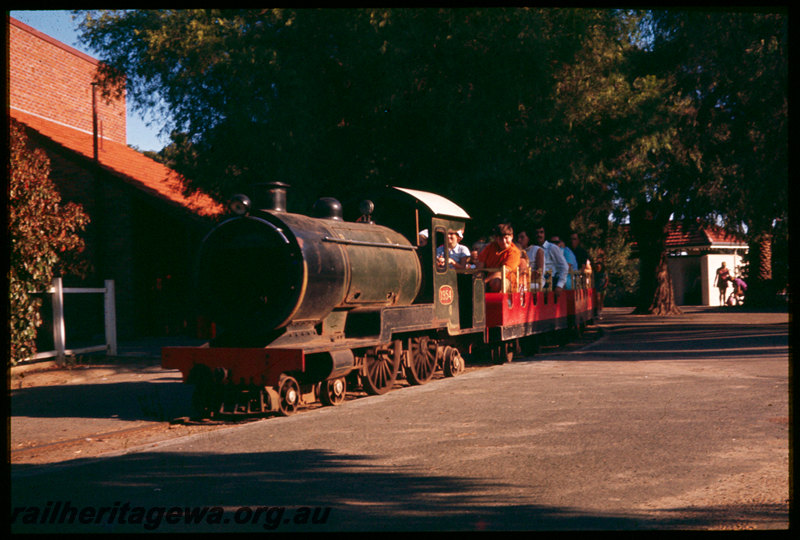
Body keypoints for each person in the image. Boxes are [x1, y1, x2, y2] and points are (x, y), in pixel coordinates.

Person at [476, 222, 521, 293]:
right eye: (500, 239)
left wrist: (483, 282)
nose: (503, 241)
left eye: (506, 238)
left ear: (512, 236)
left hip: (507, 281)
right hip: (488, 280)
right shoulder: (490, 247)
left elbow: (503, 272)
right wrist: (477, 280)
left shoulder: (514, 252)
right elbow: (480, 266)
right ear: (496, 238)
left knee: (496, 282)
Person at [532, 224, 568, 298]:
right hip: (536, 281)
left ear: (545, 234)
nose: (539, 235)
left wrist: (559, 285)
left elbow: (564, 267)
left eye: (541, 232)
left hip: (550, 283)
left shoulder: (552, 248)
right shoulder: (532, 249)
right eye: (537, 233)